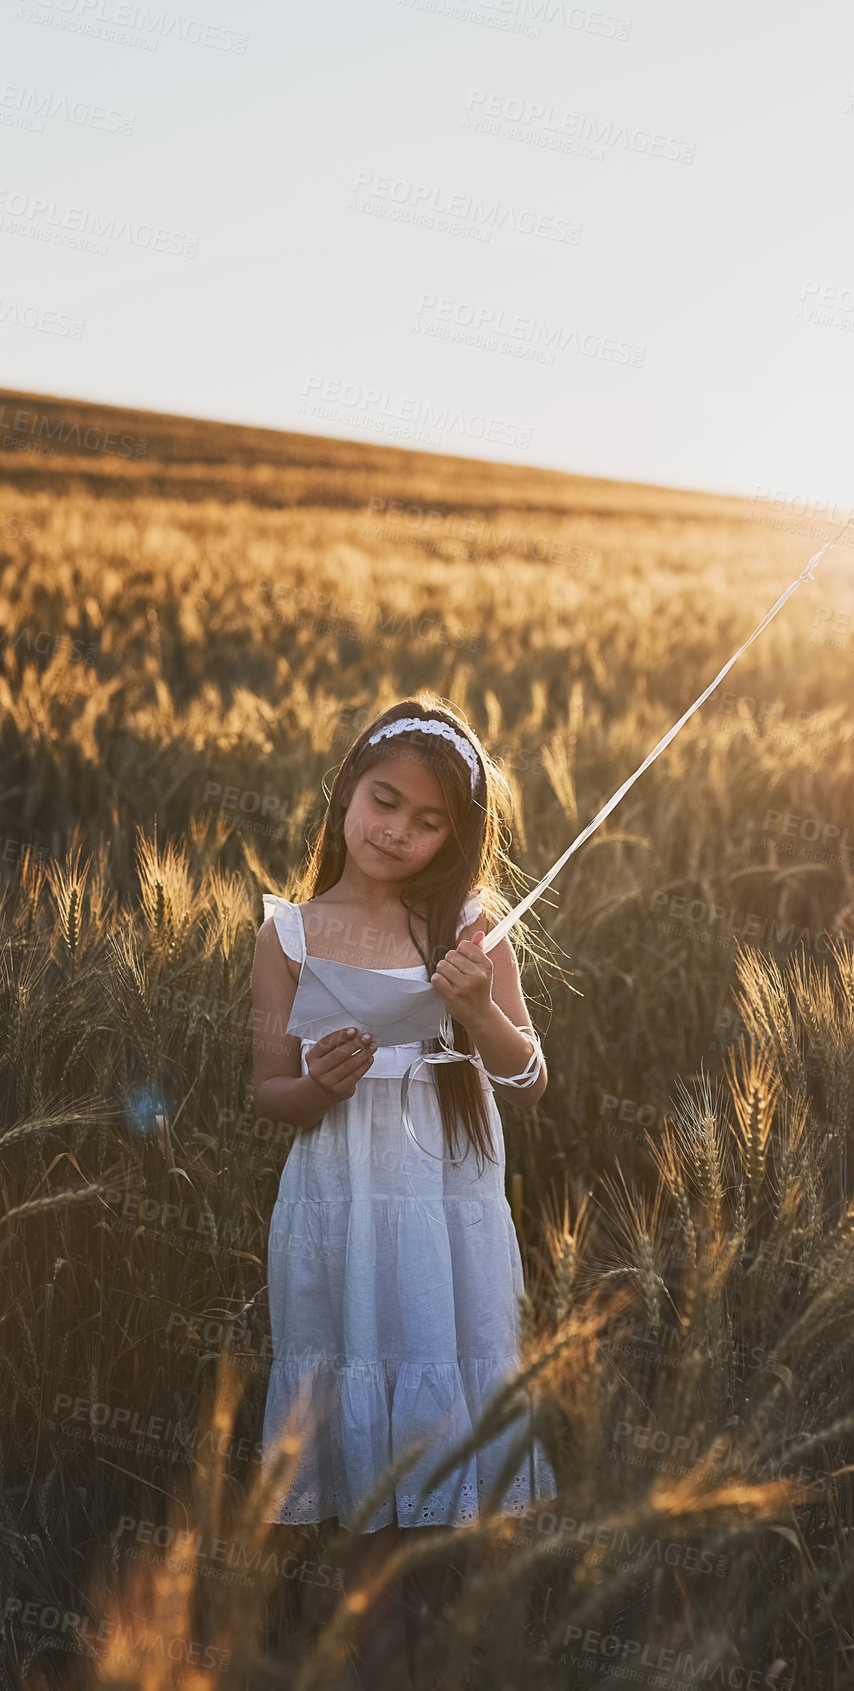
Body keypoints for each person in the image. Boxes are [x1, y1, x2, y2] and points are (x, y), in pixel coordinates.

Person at [249, 694, 557, 1683]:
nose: (401, 832)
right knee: (360, 1417)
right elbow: (270, 1094)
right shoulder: (289, 935)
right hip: (339, 1199)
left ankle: (462, 1642)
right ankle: (378, 1653)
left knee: (438, 1398)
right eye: (386, 803)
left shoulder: (468, 926)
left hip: (440, 1198)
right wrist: (318, 1083)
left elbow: (528, 1074)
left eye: (431, 823)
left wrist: (477, 1010)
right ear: (347, 792)